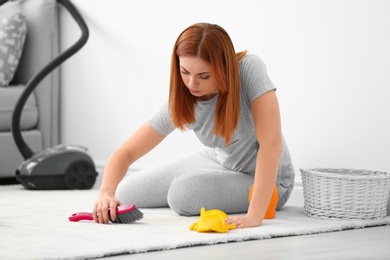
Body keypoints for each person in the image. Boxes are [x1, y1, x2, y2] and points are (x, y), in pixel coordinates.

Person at [93, 22, 295, 228]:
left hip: (270, 179)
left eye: (204, 76)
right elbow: (126, 152)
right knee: (124, 192)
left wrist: (254, 216)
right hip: (219, 160)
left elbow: (271, 145)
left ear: (225, 68)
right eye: (185, 72)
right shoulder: (184, 99)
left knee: (181, 195)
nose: (191, 84)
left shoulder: (249, 69)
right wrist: (105, 193)